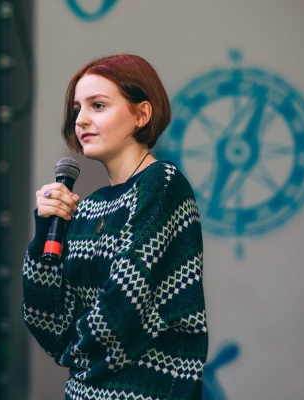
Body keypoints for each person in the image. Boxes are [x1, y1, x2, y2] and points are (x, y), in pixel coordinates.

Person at [22, 53, 208, 399]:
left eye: (98, 105)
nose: (81, 119)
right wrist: (44, 232)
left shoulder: (161, 185)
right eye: (77, 109)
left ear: (141, 114)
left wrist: (72, 356)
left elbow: (125, 306)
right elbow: (48, 324)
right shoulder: (88, 207)